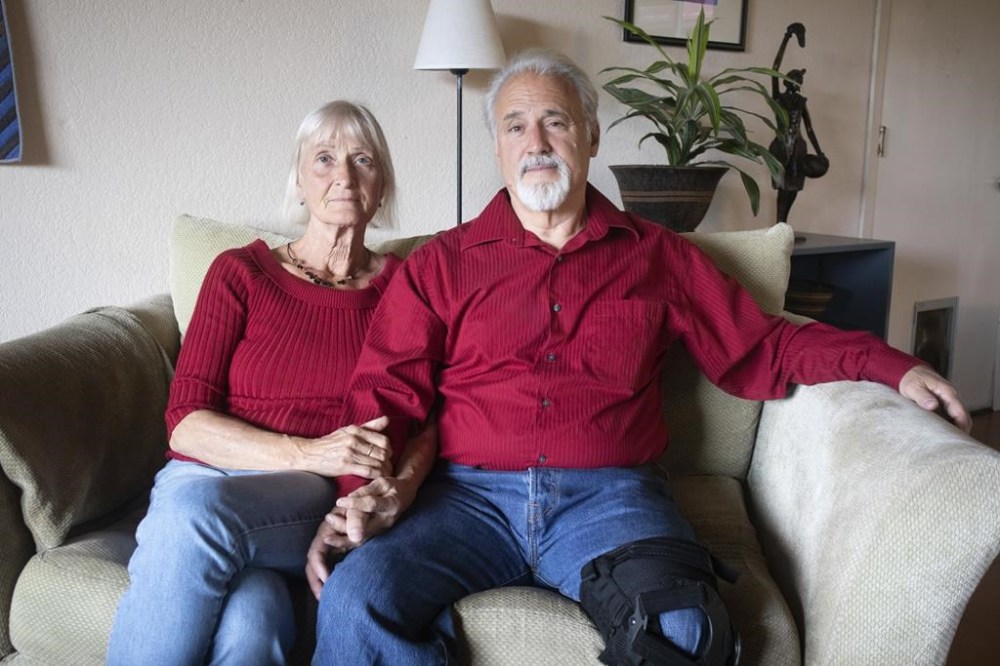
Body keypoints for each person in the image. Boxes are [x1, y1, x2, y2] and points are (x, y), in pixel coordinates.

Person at [308, 50, 971, 665]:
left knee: (687, 627)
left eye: (555, 122)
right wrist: (356, 496)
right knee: (357, 598)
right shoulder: (439, 265)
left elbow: (762, 345)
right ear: (498, 148)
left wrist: (893, 365)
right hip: (463, 501)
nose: (534, 143)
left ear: (592, 138)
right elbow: (383, 394)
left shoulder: (660, 257)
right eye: (515, 127)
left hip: (611, 499)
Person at [106, 101, 436, 665]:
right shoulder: (240, 273)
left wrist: (394, 489)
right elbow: (185, 423)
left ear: (383, 185)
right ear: (300, 181)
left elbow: (430, 419)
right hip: (202, 476)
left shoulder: (405, 288)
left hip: (301, 496)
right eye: (325, 159)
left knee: (194, 521)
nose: (344, 176)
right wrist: (311, 448)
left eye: (363, 160)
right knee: (252, 621)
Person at [769, 23, 829, 224]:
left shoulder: (801, 102)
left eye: (800, 79)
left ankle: (784, 226)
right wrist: (787, 37)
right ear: (787, 80)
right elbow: (774, 69)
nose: (799, 82)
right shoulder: (778, 98)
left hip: (799, 150)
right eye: (796, 78)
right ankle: (778, 226)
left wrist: (819, 152)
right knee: (782, 187)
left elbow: (809, 128)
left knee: (794, 188)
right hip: (780, 147)